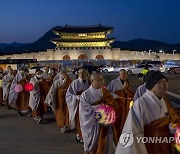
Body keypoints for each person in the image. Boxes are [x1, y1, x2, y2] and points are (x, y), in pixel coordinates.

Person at [115, 70, 180, 154]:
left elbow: (175, 119)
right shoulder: (140, 104)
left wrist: (173, 128)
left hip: (166, 145)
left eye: (165, 82)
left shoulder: (165, 101)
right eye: (160, 82)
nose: (165, 85)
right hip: (148, 146)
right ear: (151, 85)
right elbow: (133, 132)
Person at [79, 73, 117, 154]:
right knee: (94, 146)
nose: (102, 82)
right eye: (99, 80)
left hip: (105, 124)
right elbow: (84, 110)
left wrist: (108, 107)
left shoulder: (105, 91)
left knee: (107, 145)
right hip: (92, 125)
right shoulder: (85, 94)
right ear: (92, 81)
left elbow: (112, 103)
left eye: (102, 80)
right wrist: (100, 106)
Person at [107, 69, 134, 143]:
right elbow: (107, 91)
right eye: (123, 74)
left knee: (125, 122)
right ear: (119, 74)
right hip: (117, 106)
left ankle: (123, 138)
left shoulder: (127, 83)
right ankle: (116, 138)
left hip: (125, 106)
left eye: (126, 74)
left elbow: (130, 92)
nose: (125, 75)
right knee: (117, 122)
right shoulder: (114, 82)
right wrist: (114, 95)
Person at [66, 68, 90, 143]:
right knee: (80, 120)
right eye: (80, 73)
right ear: (78, 74)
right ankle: (79, 135)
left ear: (87, 74)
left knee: (87, 121)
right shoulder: (75, 83)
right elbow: (68, 94)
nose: (82, 75)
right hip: (79, 104)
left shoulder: (89, 82)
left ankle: (86, 135)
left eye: (84, 73)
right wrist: (76, 97)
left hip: (87, 104)